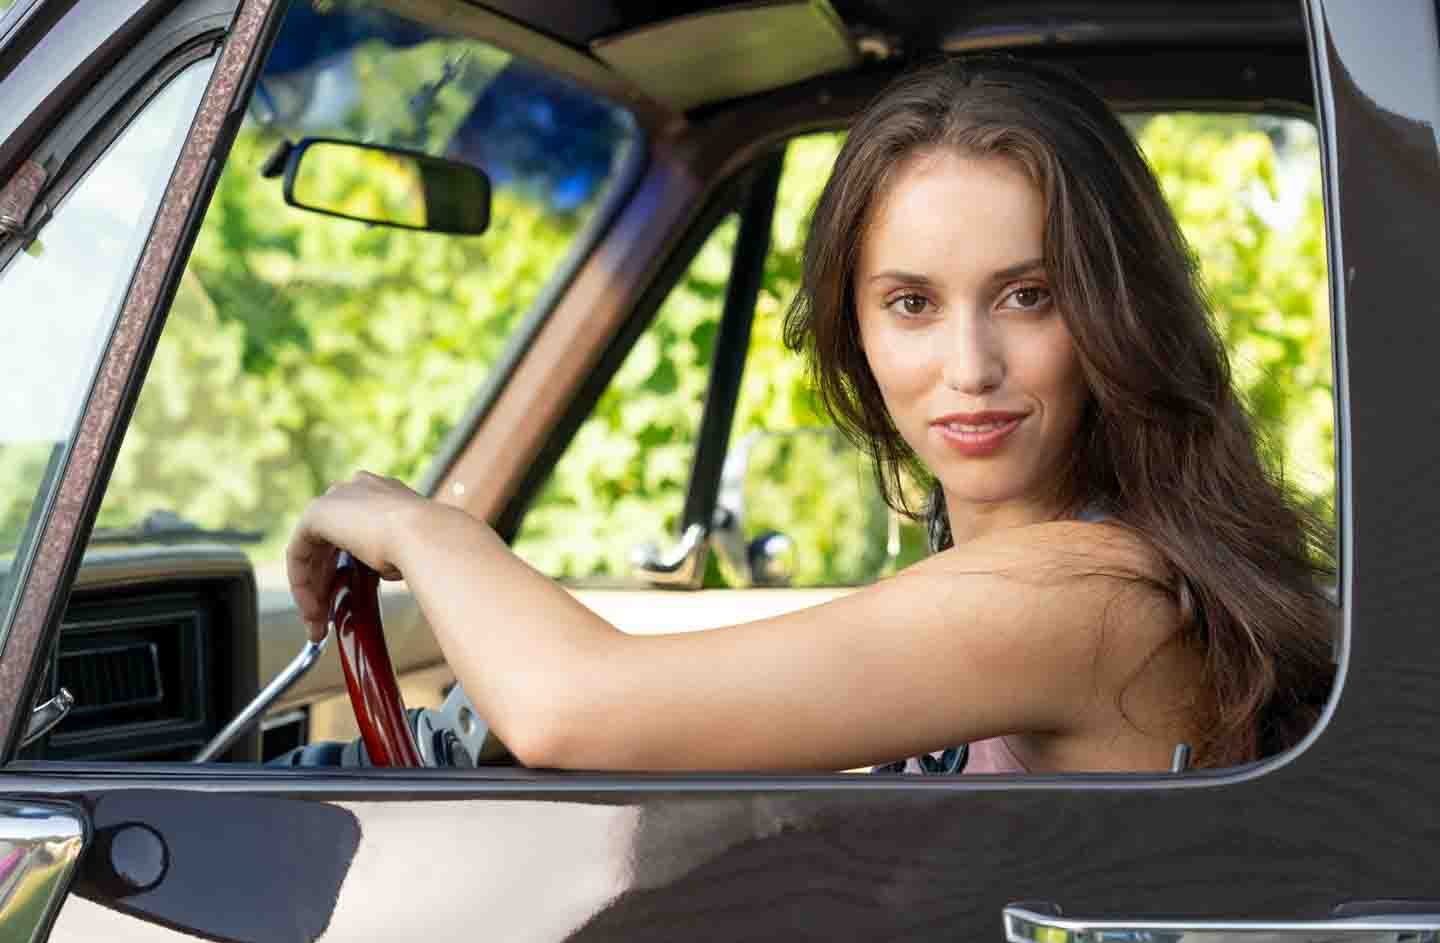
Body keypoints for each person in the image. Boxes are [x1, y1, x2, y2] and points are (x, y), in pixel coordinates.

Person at [286, 56, 1334, 774]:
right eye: (912, 303)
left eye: (1030, 295)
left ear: (1117, 307)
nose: (969, 367)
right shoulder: (1078, 565)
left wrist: (419, 527)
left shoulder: (1083, 597)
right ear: (857, 327)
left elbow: (573, 708)